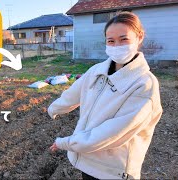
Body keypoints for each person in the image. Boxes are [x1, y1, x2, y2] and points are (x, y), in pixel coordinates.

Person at [48, 11, 163, 179]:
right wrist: (54, 108)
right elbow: (74, 93)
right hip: (87, 163)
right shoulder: (97, 70)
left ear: (139, 37)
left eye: (124, 39)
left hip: (113, 171)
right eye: (111, 41)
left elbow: (110, 133)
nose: (117, 46)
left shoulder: (144, 85)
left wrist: (64, 142)